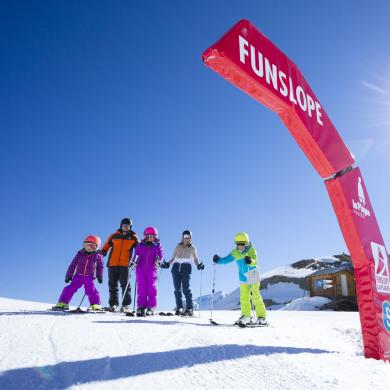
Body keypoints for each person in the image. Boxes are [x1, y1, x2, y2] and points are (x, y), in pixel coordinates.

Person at [213, 232, 267, 325]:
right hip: (243, 277)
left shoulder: (251, 250)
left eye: (242, 244)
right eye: (238, 244)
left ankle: (262, 317)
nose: (240, 246)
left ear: (246, 242)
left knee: (255, 295)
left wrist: (250, 261)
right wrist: (218, 260)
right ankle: (246, 316)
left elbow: (255, 261)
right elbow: (226, 259)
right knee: (244, 297)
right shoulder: (235, 252)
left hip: (252, 273)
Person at [161, 230, 204, 316]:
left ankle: (189, 308)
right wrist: (167, 264)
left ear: (190, 238)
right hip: (176, 269)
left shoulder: (192, 248)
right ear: (182, 237)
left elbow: (195, 259)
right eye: (185, 237)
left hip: (186, 269)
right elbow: (173, 258)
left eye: (188, 237)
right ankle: (179, 307)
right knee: (177, 290)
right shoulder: (178, 247)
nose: (186, 238)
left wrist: (198, 265)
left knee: (186, 289)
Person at [54, 235, 104, 311]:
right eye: (86, 245)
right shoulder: (80, 254)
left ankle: (95, 304)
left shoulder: (98, 255)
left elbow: (100, 267)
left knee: (91, 290)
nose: (88, 247)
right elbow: (73, 265)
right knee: (69, 288)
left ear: (96, 247)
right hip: (78, 276)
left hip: (89, 277)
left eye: (91, 245)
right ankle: (63, 303)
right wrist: (68, 275)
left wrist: (99, 276)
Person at [100, 218, 139, 312]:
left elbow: (139, 250)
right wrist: (104, 251)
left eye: (127, 225)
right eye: (124, 225)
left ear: (130, 227)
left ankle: (125, 305)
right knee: (112, 285)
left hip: (125, 264)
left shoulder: (134, 237)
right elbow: (107, 245)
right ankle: (114, 304)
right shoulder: (114, 235)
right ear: (121, 226)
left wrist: (136, 260)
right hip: (112, 263)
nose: (125, 227)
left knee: (125, 285)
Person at [132, 227, 163, 316]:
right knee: (141, 287)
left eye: (152, 236)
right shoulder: (140, 245)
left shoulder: (157, 245)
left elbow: (160, 255)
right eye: (148, 236)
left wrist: (158, 260)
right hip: (140, 268)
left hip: (151, 268)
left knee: (151, 288)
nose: (150, 237)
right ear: (145, 236)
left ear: (155, 236)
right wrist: (134, 262)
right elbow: (136, 255)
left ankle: (151, 306)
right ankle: (141, 306)